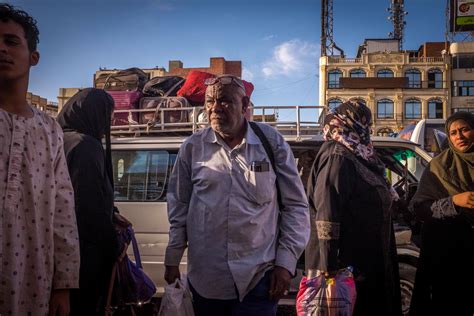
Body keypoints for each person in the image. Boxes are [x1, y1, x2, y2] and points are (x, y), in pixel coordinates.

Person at [164, 74, 310, 316]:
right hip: (207, 281)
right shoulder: (192, 148)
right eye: (210, 102)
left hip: (259, 278)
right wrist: (173, 259)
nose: (215, 108)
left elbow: (296, 206)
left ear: (244, 106)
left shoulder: (271, 143)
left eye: (225, 101)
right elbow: (178, 207)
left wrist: (285, 263)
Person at [0, 4, 80, 316]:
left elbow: (63, 209)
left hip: (32, 283)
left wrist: (62, 285)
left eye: (11, 41)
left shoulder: (49, 130)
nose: (1, 49)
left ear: (34, 57)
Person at [305, 100, 402, 316]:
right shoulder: (337, 156)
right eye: (361, 121)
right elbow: (327, 213)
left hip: (368, 260)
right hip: (348, 267)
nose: (366, 127)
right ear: (348, 122)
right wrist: (329, 269)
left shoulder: (361, 155)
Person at [56, 88, 119, 315]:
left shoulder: (57, 140)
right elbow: (88, 205)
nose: (109, 121)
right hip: (83, 256)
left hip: (57, 253)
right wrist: (113, 241)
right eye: (107, 114)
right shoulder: (86, 146)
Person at [409, 111, 474, 316]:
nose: (459, 136)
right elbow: (420, 208)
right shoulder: (439, 167)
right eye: (453, 133)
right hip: (452, 258)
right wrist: (454, 202)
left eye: (464, 129)